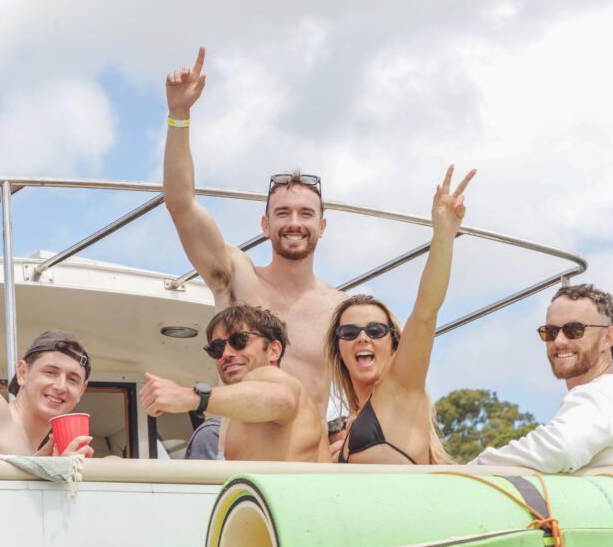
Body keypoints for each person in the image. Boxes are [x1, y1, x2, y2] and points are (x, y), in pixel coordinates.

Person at [163, 47, 346, 418]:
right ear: (265, 225)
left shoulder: (339, 309)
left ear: (321, 227)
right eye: (282, 213)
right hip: (242, 461)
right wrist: (179, 116)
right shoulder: (236, 277)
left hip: (310, 465)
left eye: (305, 214)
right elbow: (181, 204)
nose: (294, 222)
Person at [326, 165, 475, 464]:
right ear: (338, 348)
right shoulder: (347, 425)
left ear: (396, 344)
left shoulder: (401, 387)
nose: (363, 338)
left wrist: (444, 235)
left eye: (376, 331)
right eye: (350, 333)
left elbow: (425, 312)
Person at [140, 304, 331, 462]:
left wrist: (191, 397)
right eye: (216, 347)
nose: (226, 354)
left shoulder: (272, 377)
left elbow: (283, 399)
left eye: (239, 340)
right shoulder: (236, 418)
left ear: (273, 350)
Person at [471, 284, 613, 472]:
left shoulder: (604, 394)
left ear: (608, 337)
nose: (559, 341)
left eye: (574, 330)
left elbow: (561, 447)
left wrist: (469, 468)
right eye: (550, 332)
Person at [0, 330, 94, 456]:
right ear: (22, 372)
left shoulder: (44, 453)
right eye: (50, 372)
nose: (61, 387)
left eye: (72, 380)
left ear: (81, 391)